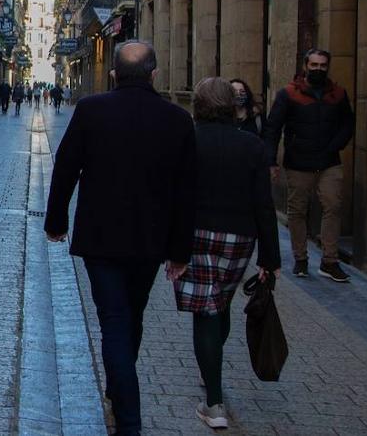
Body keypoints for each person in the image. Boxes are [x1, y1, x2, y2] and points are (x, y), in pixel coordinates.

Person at [45, 41, 197, 436]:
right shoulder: (178, 120)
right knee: (132, 315)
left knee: (114, 321)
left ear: (113, 75)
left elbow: (65, 168)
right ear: (154, 74)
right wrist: (180, 250)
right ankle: (122, 398)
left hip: (100, 238)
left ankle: (126, 416)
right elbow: (187, 191)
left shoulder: (92, 110)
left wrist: (55, 221)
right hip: (150, 241)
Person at [174, 77, 281, 430]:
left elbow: (174, 195)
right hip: (239, 240)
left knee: (205, 311)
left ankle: (214, 402)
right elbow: (264, 206)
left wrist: (168, 245)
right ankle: (212, 371)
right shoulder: (252, 147)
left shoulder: (187, 140)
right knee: (219, 304)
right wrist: (269, 259)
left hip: (196, 234)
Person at [261, 49, 355, 282]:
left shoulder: (338, 94)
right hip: (299, 162)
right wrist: (270, 161)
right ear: (305, 66)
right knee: (298, 210)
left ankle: (330, 261)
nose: (318, 69)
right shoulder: (289, 94)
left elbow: (348, 123)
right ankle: (300, 259)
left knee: (333, 205)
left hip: (329, 161)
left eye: (323, 65)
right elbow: (273, 128)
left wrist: (335, 145)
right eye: (314, 65)